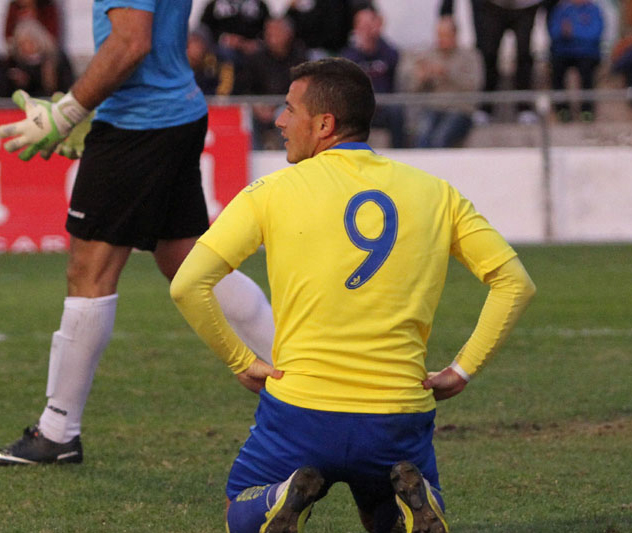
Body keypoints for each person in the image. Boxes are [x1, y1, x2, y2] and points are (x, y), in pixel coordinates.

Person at [170, 57, 536, 533]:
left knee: (239, 505)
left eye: (289, 109)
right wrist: (462, 369)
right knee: (385, 499)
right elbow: (515, 283)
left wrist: (240, 361)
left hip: (300, 410)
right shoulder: (437, 194)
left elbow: (187, 283)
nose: (280, 121)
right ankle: (413, 506)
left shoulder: (270, 191)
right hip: (397, 413)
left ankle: (277, 499)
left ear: (324, 124)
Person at [0, 0, 274, 467]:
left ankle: (57, 432)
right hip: (174, 111)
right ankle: (309, 380)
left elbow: (131, 43)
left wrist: (68, 111)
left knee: (88, 274)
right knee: (191, 263)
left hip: (139, 124)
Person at [439, 0, 544, 124]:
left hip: (526, 5)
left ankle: (525, 107)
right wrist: (447, 10)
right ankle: (485, 107)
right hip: (490, 6)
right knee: (488, 54)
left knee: (524, 54)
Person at [398, 17, 482, 148]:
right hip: (434, 108)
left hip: (460, 110)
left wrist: (447, 73)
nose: (440, 40)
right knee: (421, 136)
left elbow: (474, 85)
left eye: (445, 35)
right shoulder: (429, 55)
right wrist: (421, 78)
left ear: (455, 35)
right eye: (439, 35)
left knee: (440, 138)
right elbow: (413, 89)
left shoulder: (470, 56)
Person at [340, 6, 408, 148]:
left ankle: (400, 154)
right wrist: (362, 49)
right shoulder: (349, 55)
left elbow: (394, 63)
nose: (367, 29)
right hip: (359, 108)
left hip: (383, 106)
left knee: (396, 112)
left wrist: (374, 44)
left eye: (370, 24)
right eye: (363, 25)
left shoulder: (388, 51)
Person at [241, 16, 309, 149]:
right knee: (245, 117)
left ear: (289, 33)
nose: (273, 36)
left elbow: (304, 88)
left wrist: (283, 104)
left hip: (289, 106)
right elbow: (246, 87)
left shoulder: (300, 56)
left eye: (278, 31)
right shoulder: (256, 58)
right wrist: (256, 106)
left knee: (284, 116)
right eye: (270, 32)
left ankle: (287, 154)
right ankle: (252, 155)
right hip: (259, 107)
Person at [547, 0, 604, 122]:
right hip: (563, 52)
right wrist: (566, 33)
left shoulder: (594, 10)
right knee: (556, 72)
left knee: (587, 73)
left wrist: (573, 32)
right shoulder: (561, 9)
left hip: (586, 53)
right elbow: (553, 31)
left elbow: (595, 33)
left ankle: (587, 111)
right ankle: (562, 110)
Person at [6, 19, 74, 97]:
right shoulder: (16, 62)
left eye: (29, 42)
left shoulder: (56, 58)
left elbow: (67, 85)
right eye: (21, 44)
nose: (25, 47)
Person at [187, 26, 236, 95]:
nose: (195, 47)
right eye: (192, 42)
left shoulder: (220, 60)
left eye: (198, 42)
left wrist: (219, 97)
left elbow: (226, 85)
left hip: (215, 100)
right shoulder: (183, 63)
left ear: (206, 45)